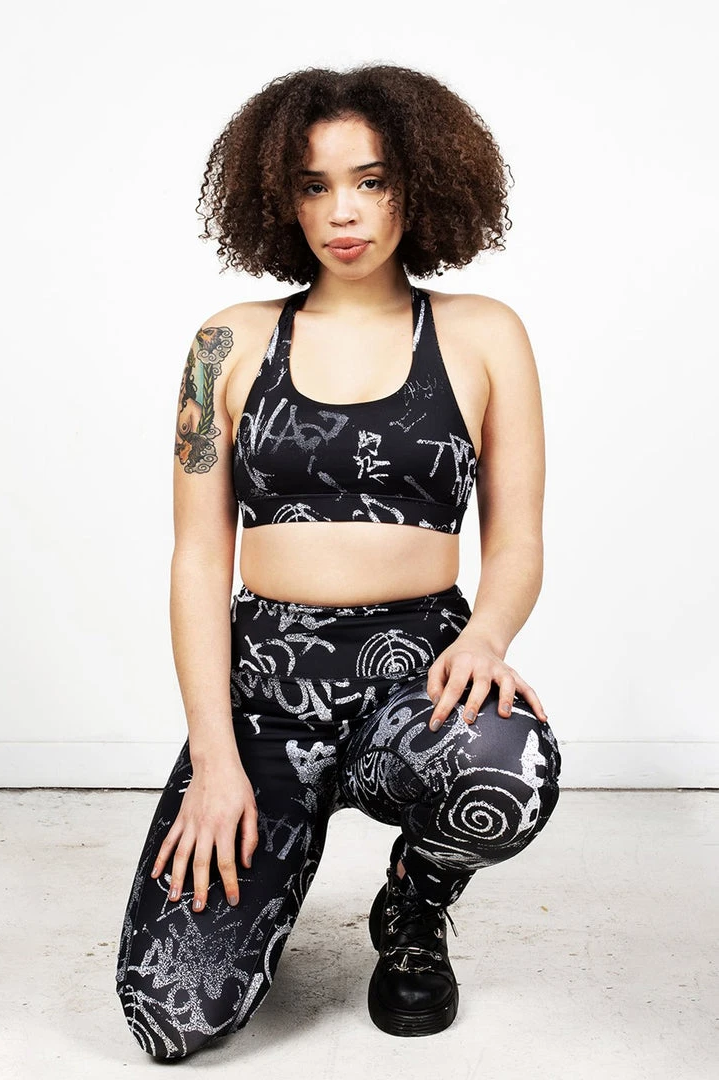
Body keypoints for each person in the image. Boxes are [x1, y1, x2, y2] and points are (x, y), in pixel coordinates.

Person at [114, 63, 562, 1061]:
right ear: (281, 198)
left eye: (371, 180)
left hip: (421, 672)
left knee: (509, 767)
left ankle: (415, 901)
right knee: (169, 1016)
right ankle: (270, 856)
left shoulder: (484, 334)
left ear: (421, 185)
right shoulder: (225, 344)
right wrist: (216, 758)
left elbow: (519, 540)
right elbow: (198, 560)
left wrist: (486, 637)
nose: (343, 211)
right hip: (267, 690)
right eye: (314, 185)